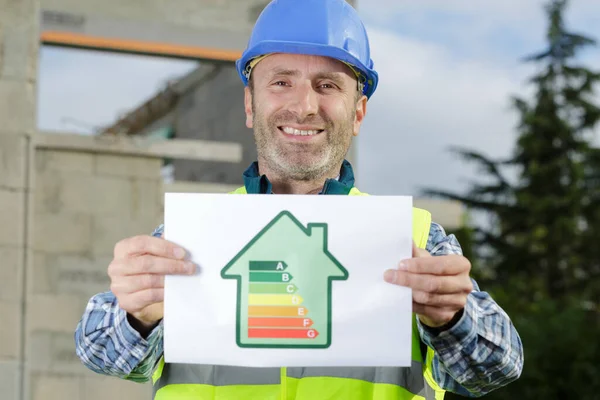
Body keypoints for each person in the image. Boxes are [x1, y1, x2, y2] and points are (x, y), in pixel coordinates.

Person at [74, 0, 523, 398]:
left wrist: (451, 318)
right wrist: (137, 316)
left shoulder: (415, 238)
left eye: (327, 85)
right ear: (250, 106)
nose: (305, 106)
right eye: (282, 82)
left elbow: (497, 367)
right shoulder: (192, 235)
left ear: (358, 112)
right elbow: (99, 352)